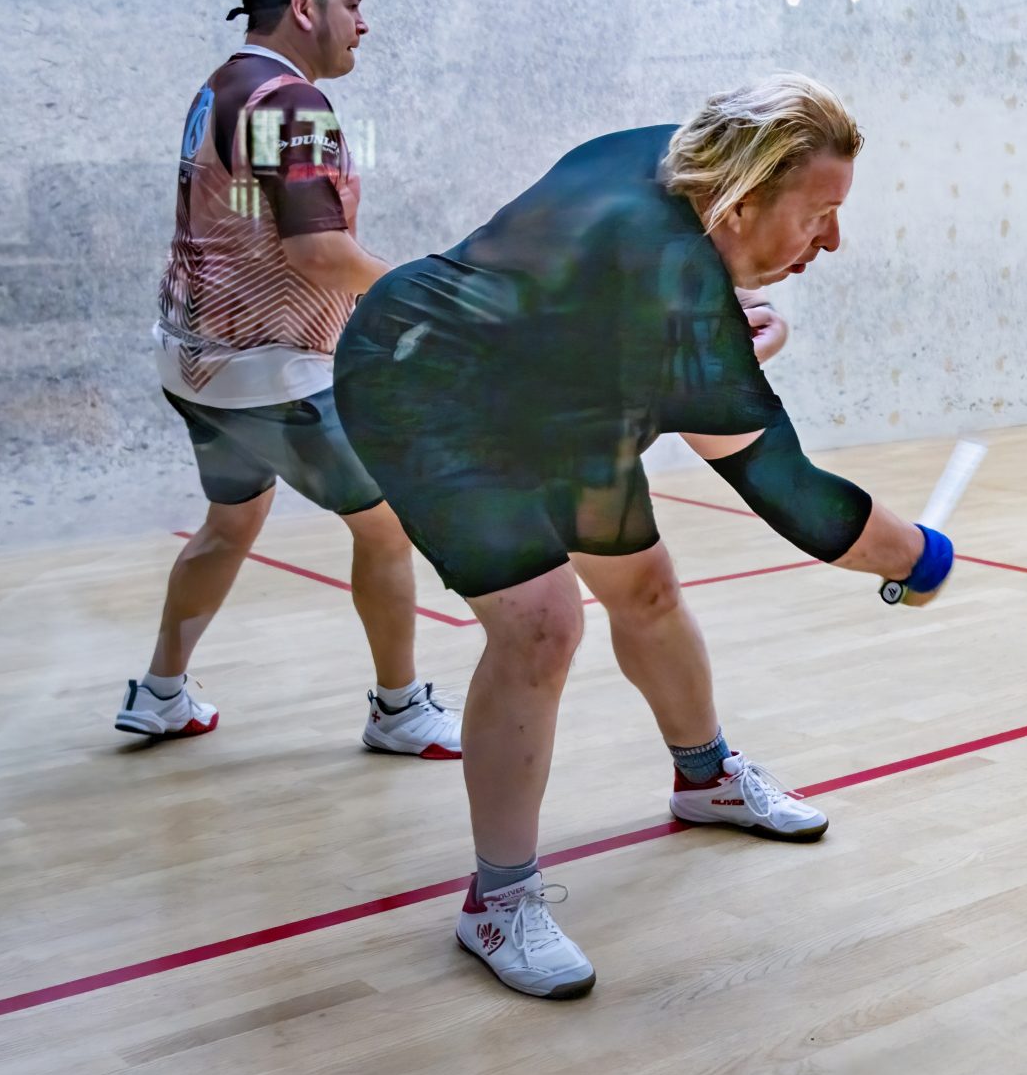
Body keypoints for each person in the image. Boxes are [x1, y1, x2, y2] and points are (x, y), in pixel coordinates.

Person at [334, 74, 956, 998]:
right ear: (742, 201)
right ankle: (498, 901)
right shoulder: (672, 276)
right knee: (541, 625)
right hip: (422, 385)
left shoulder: (680, 162)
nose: (832, 240)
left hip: (555, 397)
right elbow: (793, 495)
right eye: (819, 214)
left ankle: (704, 777)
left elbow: (620, 329)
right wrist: (922, 557)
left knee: (646, 588)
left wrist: (702, 353)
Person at [115, 0, 461, 759]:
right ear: (305, 7)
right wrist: (426, 291)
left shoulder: (224, 86)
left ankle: (160, 693)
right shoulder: (291, 103)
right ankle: (399, 709)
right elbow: (317, 252)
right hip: (273, 377)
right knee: (387, 527)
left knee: (231, 521)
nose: (364, 23)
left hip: (196, 367)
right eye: (354, 4)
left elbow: (264, 225)